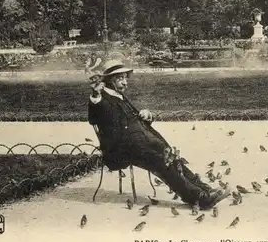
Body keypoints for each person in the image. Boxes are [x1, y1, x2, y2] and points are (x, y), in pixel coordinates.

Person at [88, 59, 231, 210]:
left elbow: (133, 121)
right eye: (120, 78)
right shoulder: (101, 98)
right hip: (120, 151)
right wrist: (94, 95)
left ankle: (206, 189)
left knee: (171, 156)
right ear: (110, 80)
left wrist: (146, 115)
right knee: (163, 162)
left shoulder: (118, 95)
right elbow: (94, 115)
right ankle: (200, 198)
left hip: (139, 145)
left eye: (125, 78)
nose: (125, 82)